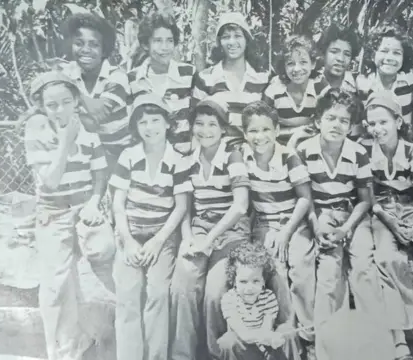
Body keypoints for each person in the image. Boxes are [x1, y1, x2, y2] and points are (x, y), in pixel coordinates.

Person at [24, 71, 115, 360]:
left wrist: (94, 202)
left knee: (103, 259)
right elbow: (50, 180)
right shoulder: (37, 129)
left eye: (66, 101)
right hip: (54, 213)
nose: (60, 109)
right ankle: (64, 352)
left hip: (83, 209)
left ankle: (96, 340)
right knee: (56, 284)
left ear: (76, 100)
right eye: (52, 105)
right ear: (41, 106)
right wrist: (65, 140)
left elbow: (100, 171)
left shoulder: (87, 127)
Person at [296, 89, 384, 360]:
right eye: (331, 118)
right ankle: (324, 347)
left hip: (352, 217)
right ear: (318, 120)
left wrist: (345, 230)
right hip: (318, 216)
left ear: (351, 125)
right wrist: (318, 227)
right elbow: (305, 200)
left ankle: (376, 342)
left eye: (344, 121)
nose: (337, 125)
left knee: (364, 268)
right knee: (328, 274)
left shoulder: (358, 153)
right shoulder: (303, 150)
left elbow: (365, 200)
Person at [170, 95, 251, 360]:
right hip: (200, 229)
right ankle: (183, 355)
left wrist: (210, 241)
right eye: (200, 124)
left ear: (224, 129)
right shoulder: (185, 161)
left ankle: (215, 354)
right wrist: (188, 239)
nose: (205, 131)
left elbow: (240, 206)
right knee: (182, 285)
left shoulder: (233, 156)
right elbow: (185, 207)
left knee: (215, 292)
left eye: (212, 125)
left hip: (231, 232)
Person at [109, 93, 188, 360]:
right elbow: (118, 205)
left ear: (168, 123)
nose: (149, 127)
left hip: (162, 237)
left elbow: (180, 206)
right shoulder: (128, 156)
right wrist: (128, 241)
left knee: (157, 292)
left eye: (156, 120)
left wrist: (157, 241)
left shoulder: (178, 159)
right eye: (142, 122)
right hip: (130, 234)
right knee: (128, 294)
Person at [359, 94, 413, 360]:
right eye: (372, 124)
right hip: (381, 212)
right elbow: (369, 199)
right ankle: (399, 339)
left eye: (383, 122)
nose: (377, 129)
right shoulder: (364, 151)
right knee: (387, 258)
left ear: (398, 121)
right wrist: (389, 221)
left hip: (410, 208)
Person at [241, 101, 314, 359]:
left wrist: (286, 231)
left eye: (265, 130)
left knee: (301, 268)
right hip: (263, 224)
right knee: (277, 272)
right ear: (244, 134)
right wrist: (270, 232)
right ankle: (285, 342)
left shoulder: (288, 157)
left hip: (293, 223)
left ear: (276, 130)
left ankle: (309, 336)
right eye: (252, 131)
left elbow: (304, 198)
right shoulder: (243, 157)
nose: (259, 137)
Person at [61, 13, 132, 167]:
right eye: (79, 43)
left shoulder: (117, 76)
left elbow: (98, 116)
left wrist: (70, 88)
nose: (85, 50)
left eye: (94, 44)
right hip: (86, 155)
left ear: (104, 50)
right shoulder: (68, 73)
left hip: (119, 156)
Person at [192, 12, 270, 149]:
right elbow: (196, 123)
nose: (232, 42)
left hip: (254, 152)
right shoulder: (205, 78)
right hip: (215, 153)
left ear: (247, 40)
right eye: (226, 37)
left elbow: (269, 124)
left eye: (238, 36)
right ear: (219, 42)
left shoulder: (263, 79)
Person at [128, 12, 197, 155]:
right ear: (146, 44)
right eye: (158, 41)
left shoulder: (189, 74)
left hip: (183, 158)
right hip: (147, 161)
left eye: (170, 41)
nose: (165, 47)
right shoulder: (132, 79)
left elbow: (200, 117)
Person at [218, 242, 300, 360]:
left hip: (265, 347)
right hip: (244, 349)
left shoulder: (268, 297)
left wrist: (273, 338)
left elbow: (266, 328)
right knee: (227, 342)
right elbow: (243, 333)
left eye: (255, 281)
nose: (249, 288)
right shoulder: (229, 299)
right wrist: (266, 337)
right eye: (243, 281)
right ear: (234, 281)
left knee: (286, 331)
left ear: (263, 281)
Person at [263, 35, 329, 149]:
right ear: (284, 66)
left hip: (312, 147)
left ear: (313, 64)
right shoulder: (274, 91)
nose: (297, 69)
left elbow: (328, 124)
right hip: (279, 147)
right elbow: (264, 128)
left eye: (303, 62)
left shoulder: (320, 87)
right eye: (290, 63)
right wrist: (295, 133)